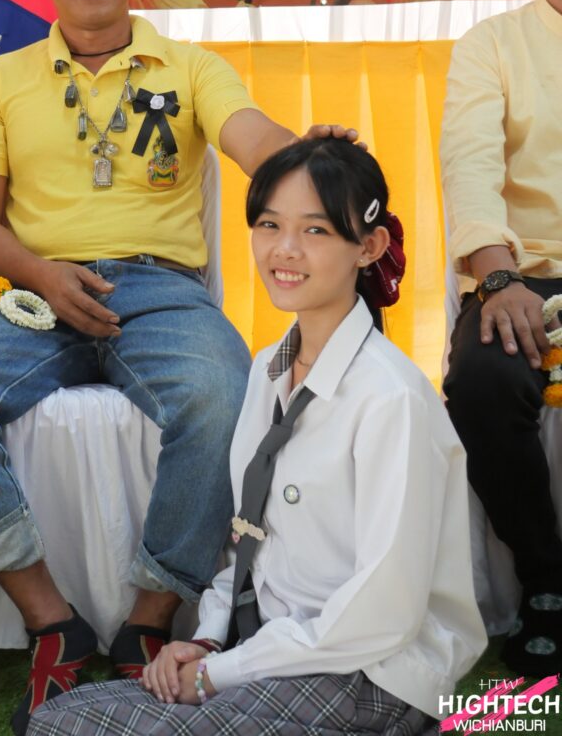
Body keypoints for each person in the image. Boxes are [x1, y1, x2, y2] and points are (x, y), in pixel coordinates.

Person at [0, 0, 356, 736]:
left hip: (160, 290)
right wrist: (43, 274)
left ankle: (149, 617)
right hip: (34, 291)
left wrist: (306, 156)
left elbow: (253, 139)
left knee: (225, 397)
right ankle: (50, 621)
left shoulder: (191, 68)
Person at [26, 137, 486, 736]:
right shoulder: (268, 368)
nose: (284, 249)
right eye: (269, 224)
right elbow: (249, 536)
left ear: (369, 247)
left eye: (316, 230)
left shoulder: (390, 399)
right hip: (275, 651)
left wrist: (219, 674)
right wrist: (209, 640)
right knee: (53, 719)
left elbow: (382, 613)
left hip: (371, 673)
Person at [440, 0, 562, 676]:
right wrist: (496, 276)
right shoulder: (492, 45)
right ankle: (547, 580)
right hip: (525, 273)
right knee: (484, 379)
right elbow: (470, 163)